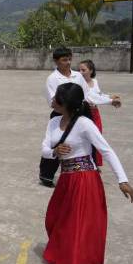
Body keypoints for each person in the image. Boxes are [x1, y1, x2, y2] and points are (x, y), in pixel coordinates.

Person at [41, 82, 133, 264]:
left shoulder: (84, 123)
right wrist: (55, 151)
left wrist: (122, 179)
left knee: (85, 229)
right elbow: (44, 150)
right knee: (55, 220)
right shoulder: (54, 121)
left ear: (67, 104)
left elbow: (107, 150)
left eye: (57, 98)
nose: (53, 100)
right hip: (66, 180)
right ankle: (66, 259)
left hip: (85, 181)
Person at [39, 47, 108, 187]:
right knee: (57, 144)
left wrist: (110, 100)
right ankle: (46, 174)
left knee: (87, 142)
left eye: (70, 59)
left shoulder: (78, 76)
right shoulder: (52, 79)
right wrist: (67, 106)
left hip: (80, 113)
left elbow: (88, 94)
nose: (68, 62)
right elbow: (53, 101)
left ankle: (89, 168)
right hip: (61, 114)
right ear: (56, 61)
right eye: (64, 60)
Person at [78, 59, 122, 167]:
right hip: (84, 113)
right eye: (79, 70)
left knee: (97, 138)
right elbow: (91, 98)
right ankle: (87, 163)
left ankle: (95, 164)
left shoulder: (95, 81)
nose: (80, 72)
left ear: (91, 71)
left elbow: (98, 95)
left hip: (95, 113)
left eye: (83, 70)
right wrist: (110, 101)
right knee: (86, 139)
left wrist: (109, 97)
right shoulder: (79, 83)